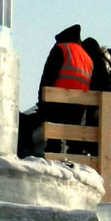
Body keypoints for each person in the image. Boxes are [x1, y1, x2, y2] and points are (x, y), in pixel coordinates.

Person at [38, 24, 94, 153]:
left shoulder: (61, 49)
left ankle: (53, 165)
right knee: (73, 141)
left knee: (53, 142)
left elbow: (47, 77)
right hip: (79, 105)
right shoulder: (87, 58)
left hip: (57, 102)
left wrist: (42, 102)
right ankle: (76, 166)